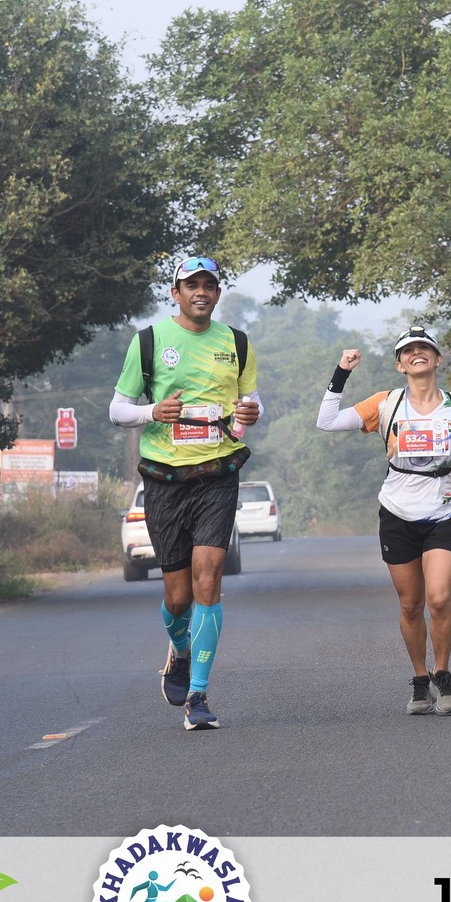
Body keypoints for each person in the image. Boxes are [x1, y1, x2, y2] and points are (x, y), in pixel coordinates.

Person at [110, 256, 261, 731]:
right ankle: (179, 650)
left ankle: (198, 695)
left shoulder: (236, 342)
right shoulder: (149, 341)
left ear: (217, 293)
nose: (201, 292)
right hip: (164, 479)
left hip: (218, 473)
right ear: (175, 293)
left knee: (208, 580)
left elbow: (249, 401)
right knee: (177, 597)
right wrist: (153, 412)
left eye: (209, 285)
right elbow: (118, 409)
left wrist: (249, 414)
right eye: (191, 285)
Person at [315, 326, 451, 715]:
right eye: (408, 350)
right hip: (397, 512)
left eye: (425, 348)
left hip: (445, 511)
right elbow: (327, 421)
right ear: (400, 365)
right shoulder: (386, 404)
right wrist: (342, 372)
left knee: (439, 598)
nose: (417, 353)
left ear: (438, 359)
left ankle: (443, 674)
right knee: (411, 604)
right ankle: (421, 679)